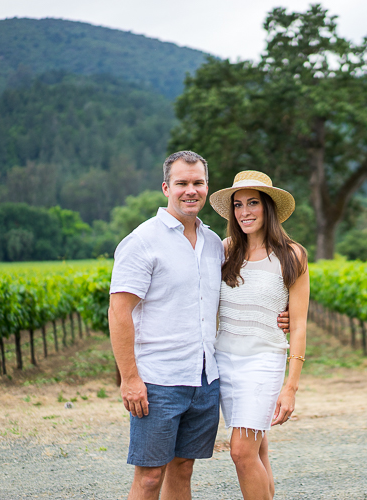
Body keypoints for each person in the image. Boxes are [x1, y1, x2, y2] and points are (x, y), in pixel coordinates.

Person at [108, 152, 289, 500]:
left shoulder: (213, 245)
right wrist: (130, 378)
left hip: (205, 380)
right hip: (158, 379)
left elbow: (251, 287)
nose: (190, 191)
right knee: (148, 477)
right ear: (166, 188)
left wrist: (285, 313)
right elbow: (119, 311)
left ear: (206, 188)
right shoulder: (143, 241)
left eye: (198, 183)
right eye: (182, 183)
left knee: (183, 469)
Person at [209, 170, 309, 500]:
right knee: (257, 452)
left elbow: (299, 325)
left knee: (240, 452)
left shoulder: (292, 254)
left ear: (268, 207)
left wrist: (290, 387)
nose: (244, 212)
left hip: (263, 361)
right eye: (238, 205)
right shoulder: (225, 251)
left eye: (253, 203)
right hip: (225, 361)